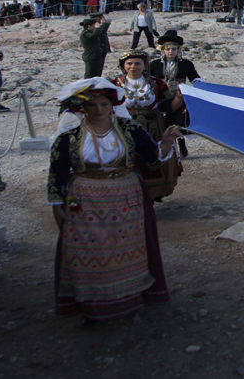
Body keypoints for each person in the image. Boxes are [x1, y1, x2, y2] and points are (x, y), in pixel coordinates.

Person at [48, 78, 180, 323]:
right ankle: (92, 308)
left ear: (112, 105)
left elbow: (153, 160)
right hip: (83, 201)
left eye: (104, 104)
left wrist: (165, 142)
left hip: (125, 200)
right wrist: (56, 204)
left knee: (128, 249)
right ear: (81, 108)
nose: (99, 109)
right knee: (90, 252)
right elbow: (56, 171)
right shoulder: (69, 136)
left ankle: (129, 301)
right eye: (93, 105)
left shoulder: (130, 129)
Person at [112, 51, 184, 201]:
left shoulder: (157, 83)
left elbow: (169, 108)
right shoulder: (114, 84)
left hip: (153, 128)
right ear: (123, 66)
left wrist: (179, 96)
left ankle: (151, 196)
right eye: (129, 63)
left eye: (138, 63)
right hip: (124, 129)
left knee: (153, 158)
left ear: (144, 65)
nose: (133, 66)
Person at [149, 30, 203, 158]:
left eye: (174, 49)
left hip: (178, 96)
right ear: (163, 50)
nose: (170, 52)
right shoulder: (154, 64)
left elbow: (194, 77)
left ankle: (181, 141)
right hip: (161, 96)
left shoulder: (186, 64)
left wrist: (200, 85)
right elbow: (148, 79)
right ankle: (163, 145)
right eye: (167, 49)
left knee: (177, 120)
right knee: (162, 119)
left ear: (178, 50)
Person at [79, 14, 111, 79]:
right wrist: (99, 27)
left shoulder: (89, 32)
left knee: (97, 74)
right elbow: (94, 34)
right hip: (91, 56)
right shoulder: (85, 33)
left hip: (95, 55)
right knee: (90, 75)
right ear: (89, 26)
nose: (95, 26)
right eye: (94, 25)